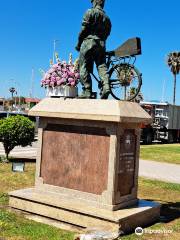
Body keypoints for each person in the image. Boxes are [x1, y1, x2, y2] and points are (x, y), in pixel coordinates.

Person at [75, 0, 112, 99]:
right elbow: (107, 34)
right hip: (101, 44)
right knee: (101, 66)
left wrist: (78, 43)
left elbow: (83, 30)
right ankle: (106, 86)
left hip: (89, 42)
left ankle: (87, 90)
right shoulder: (108, 19)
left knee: (83, 66)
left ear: (95, 2)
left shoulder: (90, 12)